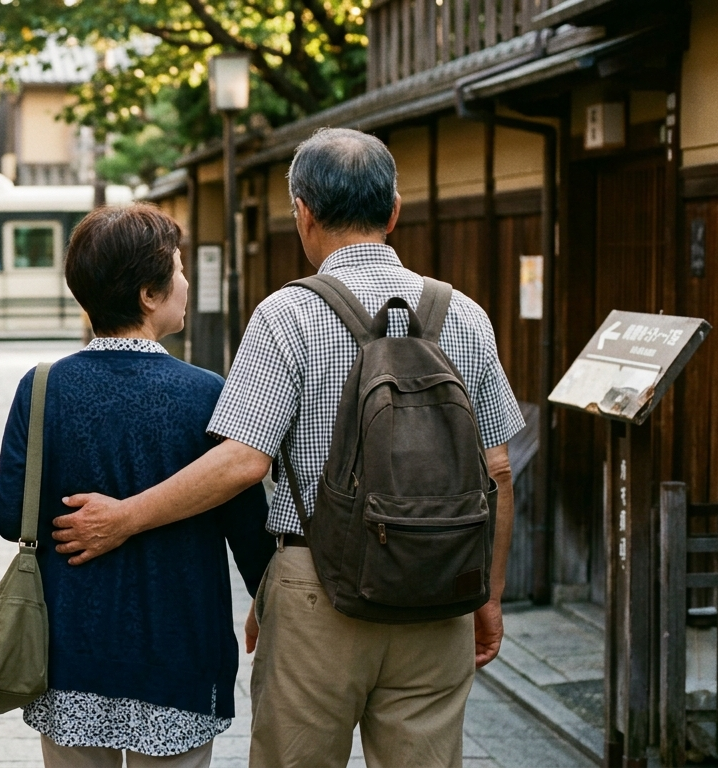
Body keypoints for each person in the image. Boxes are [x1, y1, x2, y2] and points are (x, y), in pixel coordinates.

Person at [50, 128, 525, 768]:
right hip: (441, 587)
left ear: (302, 212)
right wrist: (488, 597)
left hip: (316, 586)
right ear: (393, 211)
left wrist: (125, 517)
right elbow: (498, 472)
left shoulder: (287, 315)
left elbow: (245, 462)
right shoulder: (463, 314)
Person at [0, 204, 275, 768]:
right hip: (180, 651)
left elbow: (7, 513)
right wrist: (268, 600)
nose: (186, 282)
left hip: (72, 651)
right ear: (149, 293)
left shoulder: (44, 387)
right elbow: (249, 532)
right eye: (178, 269)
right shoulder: (206, 393)